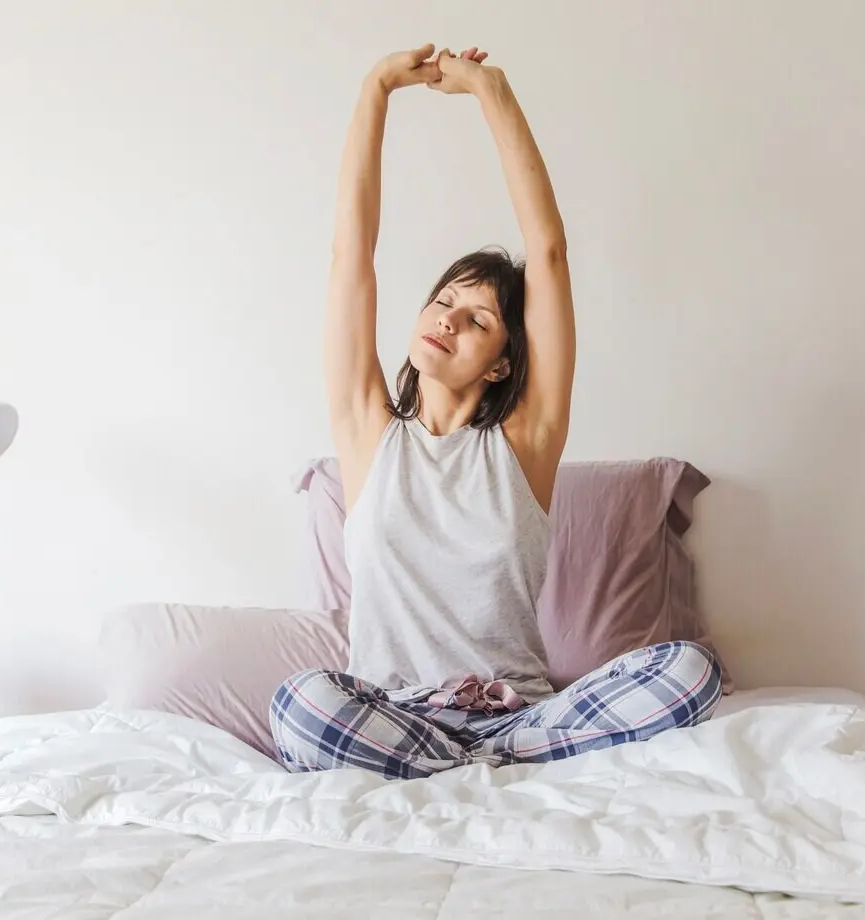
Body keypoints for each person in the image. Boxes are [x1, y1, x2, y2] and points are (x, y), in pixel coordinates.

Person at [270, 44, 722, 780]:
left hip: (518, 716)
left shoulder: (524, 442)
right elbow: (350, 257)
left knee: (690, 673)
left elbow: (547, 254)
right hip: (392, 713)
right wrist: (376, 89)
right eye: (443, 301)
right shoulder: (367, 432)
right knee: (300, 703)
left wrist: (492, 92)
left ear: (504, 361)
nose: (448, 320)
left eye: (477, 320)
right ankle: (473, 765)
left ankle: (476, 758)